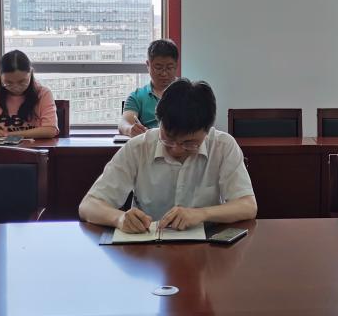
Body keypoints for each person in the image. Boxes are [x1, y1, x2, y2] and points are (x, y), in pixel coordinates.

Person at [81, 78, 257, 233]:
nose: (177, 150)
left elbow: (248, 206)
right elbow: (88, 205)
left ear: (207, 130)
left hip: (207, 246)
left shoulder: (223, 146)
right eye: (169, 139)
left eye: (189, 143)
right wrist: (119, 218)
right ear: (160, 122)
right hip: (147, 247)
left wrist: (202, 214)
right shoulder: (138, 148)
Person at [0, 50, 59, 139]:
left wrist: (10, 134)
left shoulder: (43, 93)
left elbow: (50, 130)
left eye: (22, 82)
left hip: (34, 147)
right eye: (8, 83)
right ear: (0, 75)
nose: (16, 87)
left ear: (31, 73)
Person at [118, 39, 178, 136]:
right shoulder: (137, 96)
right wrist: (130, 129)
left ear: (176, 65)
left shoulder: (189, 93)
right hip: (148, 143)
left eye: (169, 68)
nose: (164, 73)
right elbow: (124, 123)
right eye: (158, 68)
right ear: (148, 65)